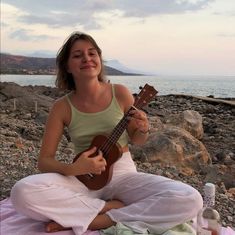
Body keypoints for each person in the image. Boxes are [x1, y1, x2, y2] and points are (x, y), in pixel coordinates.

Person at [10, 31, 203, 235]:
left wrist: (143, 128)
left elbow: (137, 141)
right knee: (21, 192)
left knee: (190, 198)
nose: (87, 58)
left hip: (122, 175)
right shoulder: (61, 107)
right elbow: (45, 161)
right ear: (67, 66)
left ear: (99, 59)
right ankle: (108, 208)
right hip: (82, 178)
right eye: (77, 55)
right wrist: (76, 168)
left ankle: (96, 220)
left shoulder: (119, 92)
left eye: (92, 53)